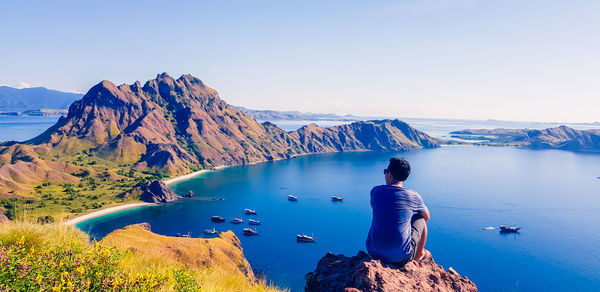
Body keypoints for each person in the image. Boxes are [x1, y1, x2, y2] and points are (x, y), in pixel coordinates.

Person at [366, 157, 430, 266]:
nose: (385, 174)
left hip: (373, 252)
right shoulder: (413, 196)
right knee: (420, 218)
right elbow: (426, 216)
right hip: (400, 257)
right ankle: (418, 255)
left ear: (390, 174)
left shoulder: (375, 191)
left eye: (385, 171)